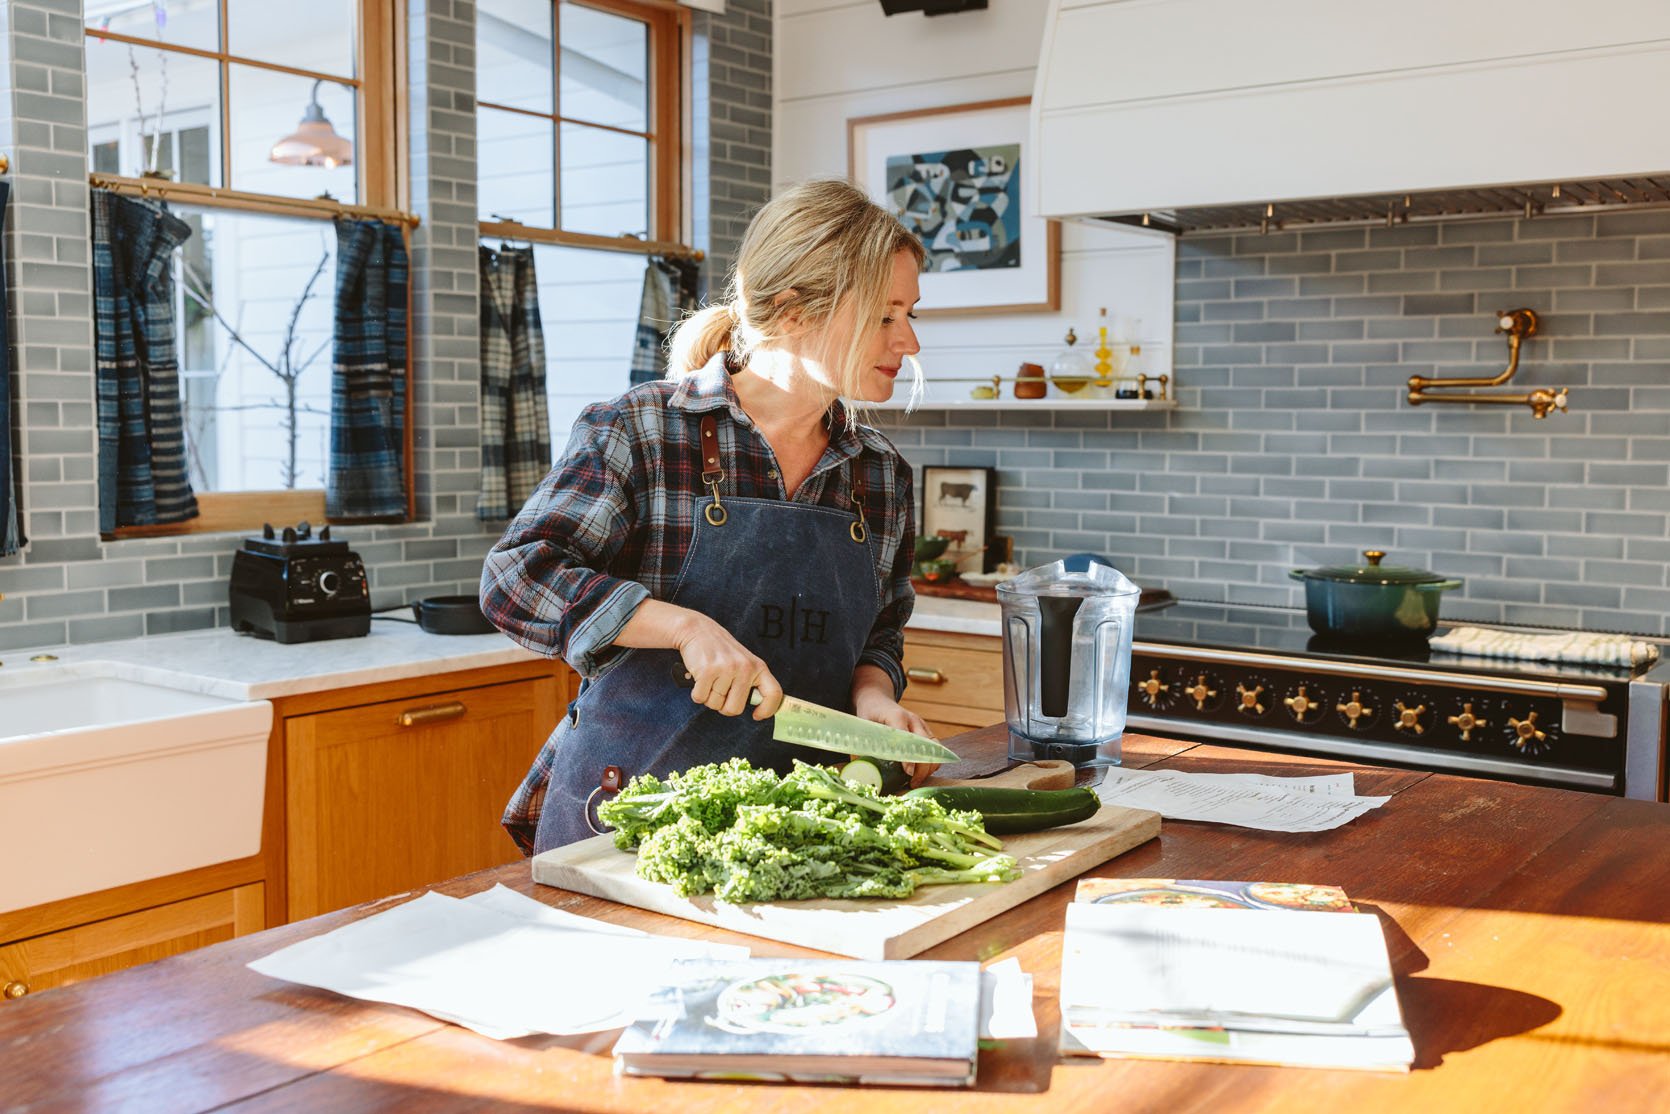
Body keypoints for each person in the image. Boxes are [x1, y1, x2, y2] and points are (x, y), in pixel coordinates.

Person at [482, 178, 938, 855]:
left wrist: (873, 697)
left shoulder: (879, 474)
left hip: (792, 827)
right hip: (629, 816)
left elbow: (880, 633)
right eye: (884, 315)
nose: (910, 342)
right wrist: (682, 628)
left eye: (911, 314)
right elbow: (516, 578)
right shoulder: (643, 429)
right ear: (791, 311)